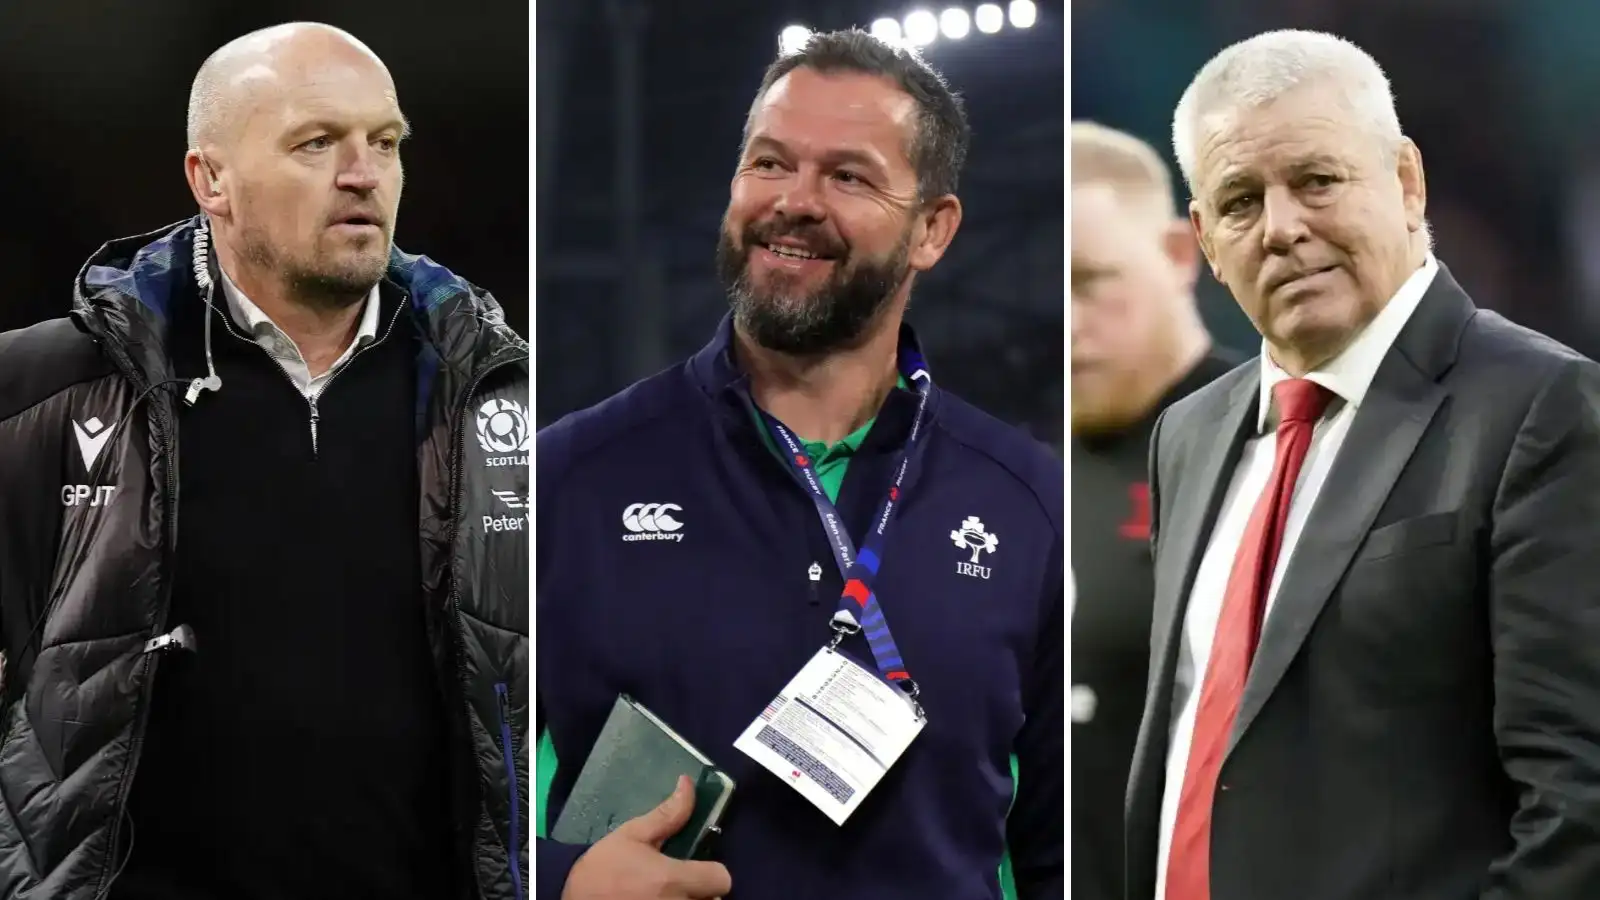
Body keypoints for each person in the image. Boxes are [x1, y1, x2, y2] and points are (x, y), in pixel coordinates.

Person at [0, 22, 529, 900]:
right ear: (211, 179)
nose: (363, 173)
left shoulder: (496, 401)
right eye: (316, 143)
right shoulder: (37, 392)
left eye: (385, 143)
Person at [536, 29, 1063, 900]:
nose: (795, 201)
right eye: (770, 164)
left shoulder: (1026, 500)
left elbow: (1062, 850)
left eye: (848, 176)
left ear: (932, 228)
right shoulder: (572, 477)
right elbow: (464, 792)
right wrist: (562, 884)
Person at [1124, 29, 1600, 900]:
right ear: (1203, 238)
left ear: (1406, 181)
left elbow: (1580, 800)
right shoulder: (1186, 435)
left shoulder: (1546, 407)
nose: (1282, 229)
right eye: (1239, 201)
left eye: (1317, 180)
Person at [1067, 121, 1237, 900]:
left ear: (1177, 255)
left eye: (1090, 280)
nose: (1067, 325)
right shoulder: (995, 467)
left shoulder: (1278, 443)